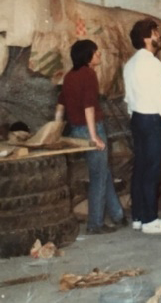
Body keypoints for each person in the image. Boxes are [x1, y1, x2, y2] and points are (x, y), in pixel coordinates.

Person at [55, 39, 126, 235]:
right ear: (88, 57)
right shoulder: (88, 74)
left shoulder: (69, 76)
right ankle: (95, 224)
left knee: (103, 172)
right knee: (98, 176)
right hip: (90, 128)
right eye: (96, 53)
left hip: (76, 130)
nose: (99, 56)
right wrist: (94, 136)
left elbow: (61, 104)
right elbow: (89, 106)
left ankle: (118, 215)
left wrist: (55, 128)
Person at [123, 18, 161, 234]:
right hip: (151, 120)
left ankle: (138, 217)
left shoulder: (130, 64)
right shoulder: (153, 64)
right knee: (152, 170)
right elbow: (159, 98)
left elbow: (128, 98)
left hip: (137, 119)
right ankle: (150, 221)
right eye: (156, 32)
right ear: (147, 37)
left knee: (140, 169)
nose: (160, 36)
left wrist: (135, 118)